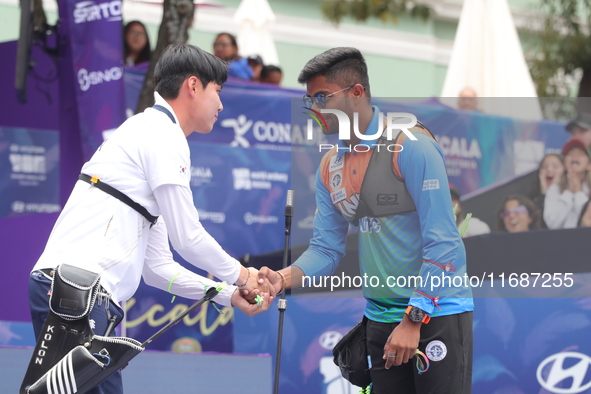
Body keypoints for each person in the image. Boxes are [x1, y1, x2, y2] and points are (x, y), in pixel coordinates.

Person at [26, 44, 273, 394]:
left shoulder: (149, 131)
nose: (221, 104)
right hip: (74, 292)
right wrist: (246, 275)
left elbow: (157, 268)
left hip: (76, 292)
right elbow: (188, 238)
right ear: (192, 85)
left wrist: (228, 294)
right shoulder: (161, 133)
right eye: (217, 91)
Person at [257, 47, 474, 393]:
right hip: (380, 319)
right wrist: (280, 279)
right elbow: (326, 248)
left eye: (322, 97)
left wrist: (413, 318)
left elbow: (445, 244)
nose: (314, 109)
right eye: (310, 100)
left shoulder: (411, 145)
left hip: (435, 314)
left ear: (357, 93)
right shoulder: (330, 165)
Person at [544, 139, 591, 229]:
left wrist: (578, 192)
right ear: (564, 164)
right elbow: (552, 223)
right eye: (570, 154)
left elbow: (586, 220)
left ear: (589, 165)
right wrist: (569, 192)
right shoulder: (554, 189)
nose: (575, 156)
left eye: (580, 154)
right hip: (560, 241)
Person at [528, 153, 564, 229]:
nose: (549, 170)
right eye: (544, 167)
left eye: (555, 167)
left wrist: (554, 188)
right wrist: (543, 194)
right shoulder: (532, 199)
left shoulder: (568, 196)